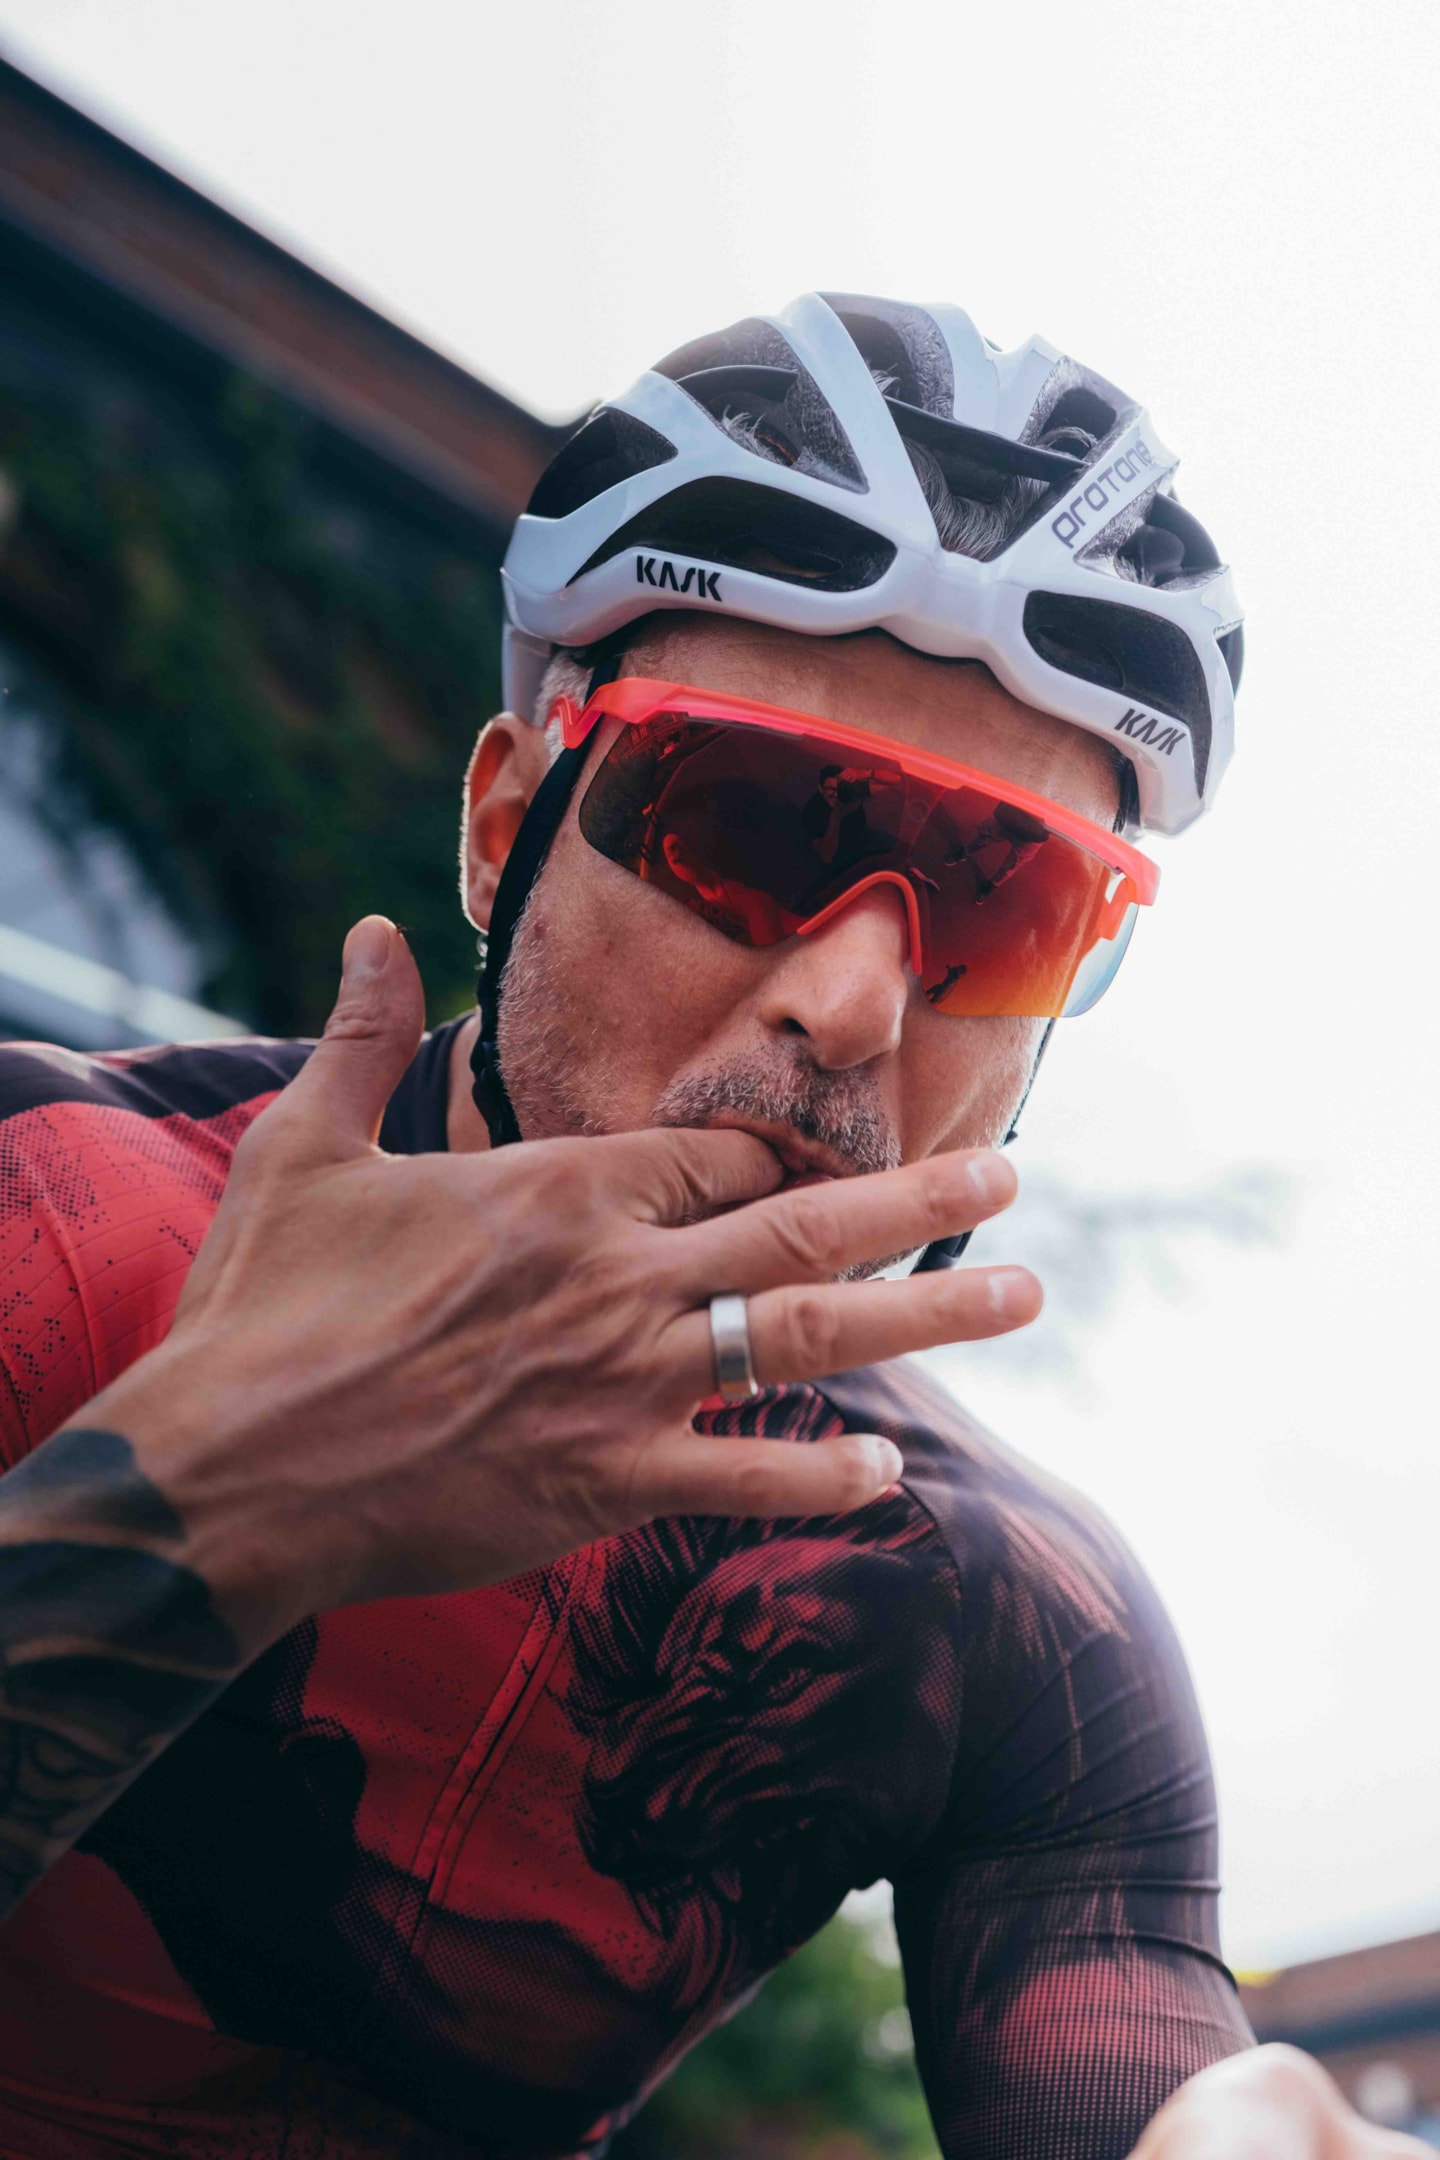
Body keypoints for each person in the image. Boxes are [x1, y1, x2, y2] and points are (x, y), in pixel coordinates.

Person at [0, 294, 1418, 2160]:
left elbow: (1147, 2102)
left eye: (1003, 908)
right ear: (506, 830)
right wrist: (211, 1489)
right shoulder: (43, 1201)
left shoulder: (1000, 1618)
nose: (852, 1004)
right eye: (745, 817)